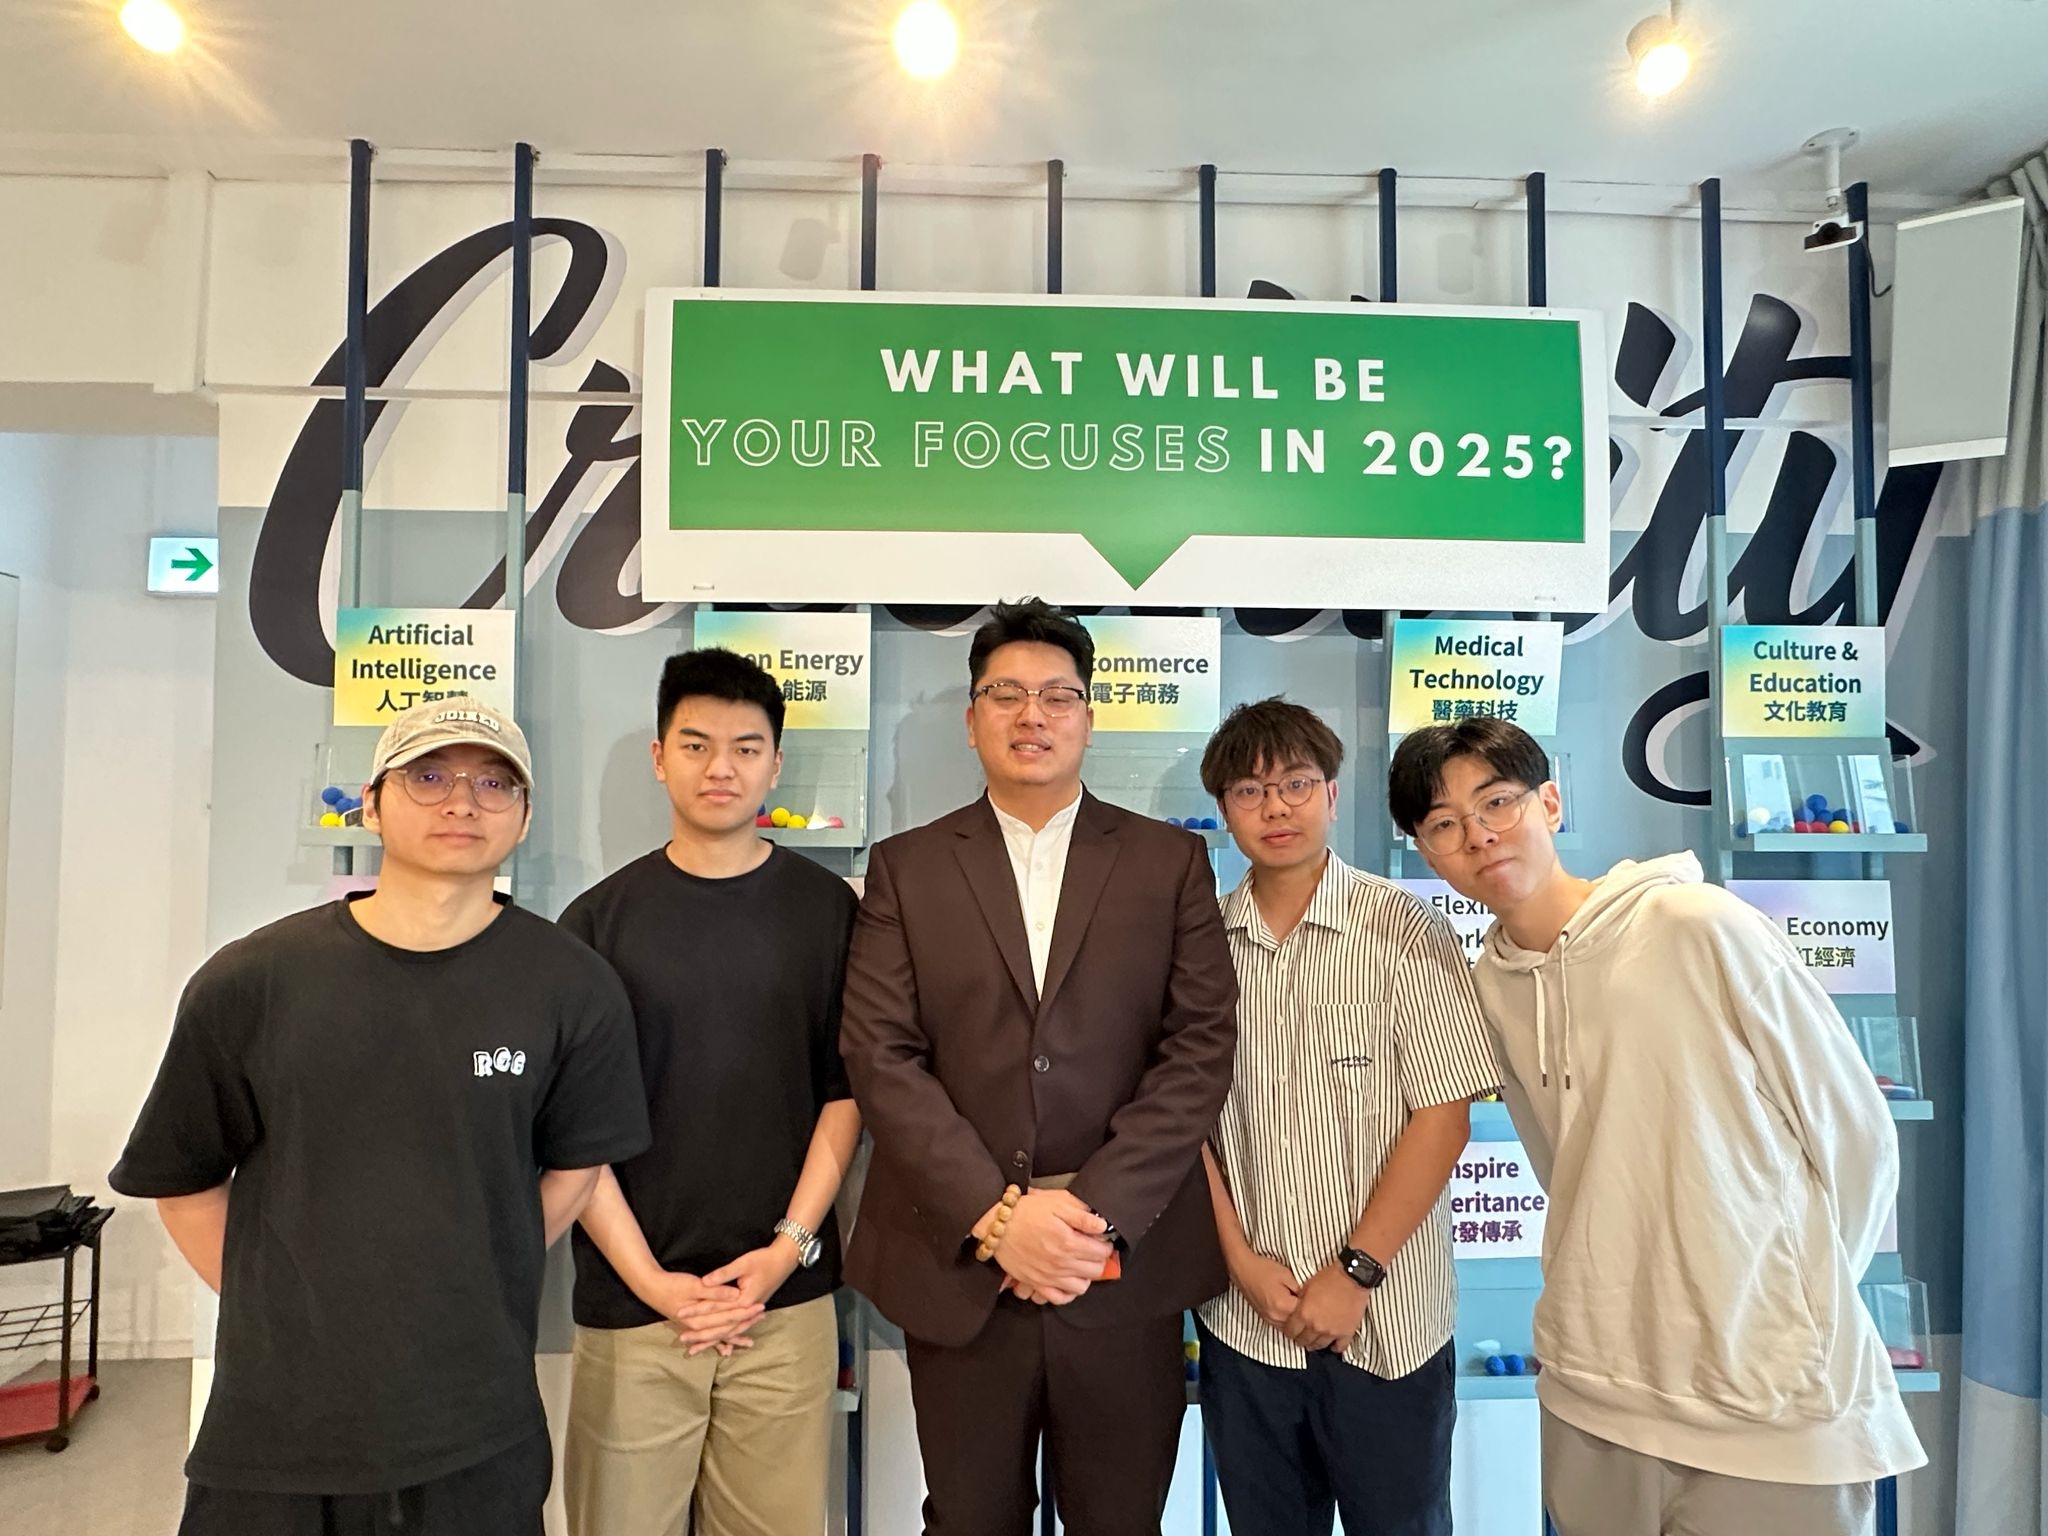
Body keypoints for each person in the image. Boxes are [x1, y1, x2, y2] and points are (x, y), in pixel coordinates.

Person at [109, 697, 650, 1536]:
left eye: (494, 784)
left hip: (476, 1431)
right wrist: (289, 1308)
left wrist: (476, 1268)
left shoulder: (572, 987)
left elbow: (578, 1163)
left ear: (524, 817)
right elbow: (181, 1180)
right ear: (370, 803)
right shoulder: (253, 981)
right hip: (274, 1436)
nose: (461, 802)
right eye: (428, 777)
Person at [1387, 715, 1926, 1536]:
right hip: (1594, 1392)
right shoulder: (1488, 987)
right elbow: (1562, 1167)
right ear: (1428, 854)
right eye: (1445, 824)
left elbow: (1856, 1136)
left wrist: (1785, 1299)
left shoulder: (1697, 923)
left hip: (1769, 1402)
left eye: (1497, 803)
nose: (1480, 835)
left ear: (1550, 803)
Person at [839, 597, 1238, 1536]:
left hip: (1120, 1265)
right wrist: (997, 1217)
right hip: (962, 1266)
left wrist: (1090, 1218)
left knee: (1122, 1519)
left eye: (1057, 695)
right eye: (1006, 694)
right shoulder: (906, 867)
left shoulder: (1169, 862)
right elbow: (881, 1053)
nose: (1033, 715)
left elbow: (1198, 1046)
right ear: (971, 717)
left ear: (1089, 717)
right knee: (970, 1519)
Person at [558, 648, 862, 1536]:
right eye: (695, 745)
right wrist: (655, 1284)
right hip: (634, 1310)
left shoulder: (830, 912)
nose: (720, 767)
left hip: (784, 1303)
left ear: (776, 763)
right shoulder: (595, 924)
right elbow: (572, 1131)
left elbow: (846, 1095)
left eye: (745, 747)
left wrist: (785, 1252)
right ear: (660, 758)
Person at [1194, 698, 1497, 1536]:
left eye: (1296, 784)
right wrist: (1240, 1264)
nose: (1276, 807)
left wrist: (1355, 1272)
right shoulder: (1199, 948)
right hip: (1246, 1325)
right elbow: (1187, 1132)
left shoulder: (1405, 929)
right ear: (1224, 810)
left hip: (1389, 1323)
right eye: (1250, 791)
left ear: (1331, 794)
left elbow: (1443, 1118)